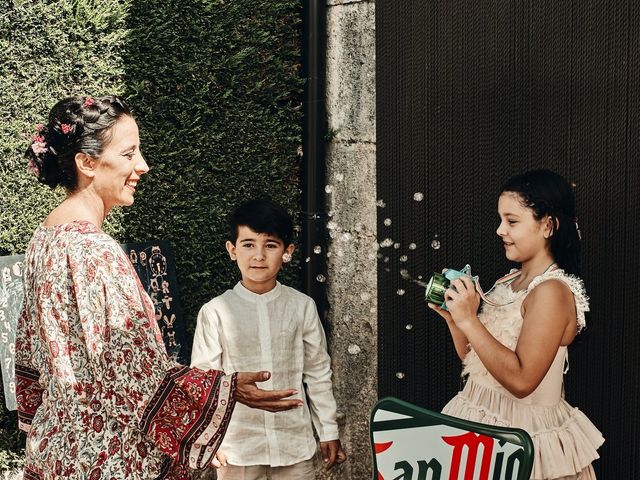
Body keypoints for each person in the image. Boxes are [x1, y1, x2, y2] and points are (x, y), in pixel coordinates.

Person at [16, 95, 303, 480]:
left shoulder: (44, 239)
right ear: (86, 162)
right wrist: (224, 390)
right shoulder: (95, 250)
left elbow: (29, 347)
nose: (142, 166)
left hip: (59, 447)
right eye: (129, 153)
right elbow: (135, 368)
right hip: (105, 457)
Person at [429, 169, 604, 479]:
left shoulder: (552, 291)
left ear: (547, 225)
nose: (500, 230)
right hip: (476, 416)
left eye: (511, 221)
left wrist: (471, 319)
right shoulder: (510, 279)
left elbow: (523, 381)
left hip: (519, 439)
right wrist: (456, 321)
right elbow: (477, 359)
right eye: (500, 220)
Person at [190, 199, 347, 479]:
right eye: (248, 244)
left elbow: (318, 373)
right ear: (232, 250)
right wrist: (207, 439)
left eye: (270, 245)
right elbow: (205, 380)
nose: (259, 256)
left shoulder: (302, 306)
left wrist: (328, 430)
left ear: (288, 252)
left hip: (293, 445)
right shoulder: (214, 312)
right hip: (237, 448)